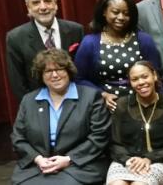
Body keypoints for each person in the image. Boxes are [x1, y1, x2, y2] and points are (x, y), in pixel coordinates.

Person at [11, 49, 111, 185]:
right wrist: (37, 158)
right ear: (41, 75)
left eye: (59, 69)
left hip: (79, 165)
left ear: (69, 71)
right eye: (48, 71)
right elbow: (18, 138)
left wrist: (69, 159)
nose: (55, 75)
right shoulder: (29, 100)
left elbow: (100, 136)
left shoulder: (91, 97)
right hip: (37, 168)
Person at [74, 0, 161, 111]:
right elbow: (79, 79)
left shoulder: (143, 39)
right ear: (104, 12)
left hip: (143, 105)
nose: (121, 17)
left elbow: (155, 74)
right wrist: (102, 95)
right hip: (106, 107)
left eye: (126, 13)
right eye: (115, 12)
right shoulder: (90, 43)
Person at [6, 0, 84, 103]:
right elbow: (17, 81)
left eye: (47, 1)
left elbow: (83, 69)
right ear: (28, 7)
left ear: (56, 4)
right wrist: (32, 108)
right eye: (36, 3)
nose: (43, 7)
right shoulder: (15, 37)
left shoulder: (75, 30)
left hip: (76, 101)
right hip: (39, 103)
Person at [106, 61, 163, 185]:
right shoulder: (122, 104)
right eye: (135, 79)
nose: (141, 82)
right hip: (125, 160)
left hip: (161, 161)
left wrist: (149, 159)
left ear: (154, 76)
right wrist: (128, 160)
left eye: (145, 77)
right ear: (130, 82)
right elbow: (115, 143)